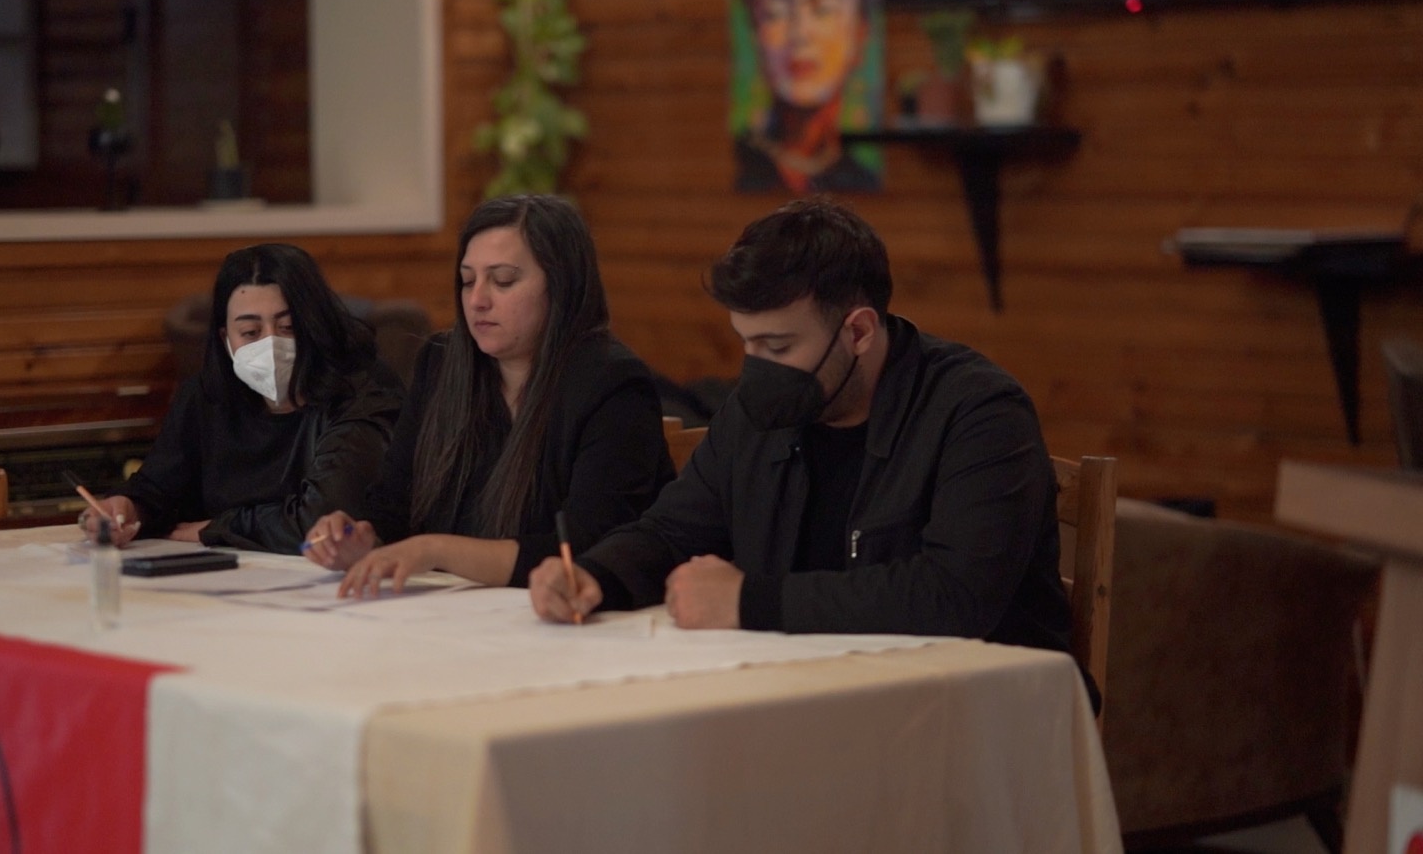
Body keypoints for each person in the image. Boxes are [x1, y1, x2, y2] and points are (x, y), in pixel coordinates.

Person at [530, 198, 1072, 657]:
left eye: (778, 346)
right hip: (807, 687)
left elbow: (955, 595)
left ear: (858, 332)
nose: (756, 367)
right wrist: (597, 575)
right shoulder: (758, 410)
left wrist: (748, 602)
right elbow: (674, 531)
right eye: (746, 342)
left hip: (977, 706)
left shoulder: (979, 412)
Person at [302, 195, 675, 596]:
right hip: (449, 612)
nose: (477, 300)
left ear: (561, 285)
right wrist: (361, 540)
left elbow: (588, 548)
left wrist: (434, 549)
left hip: (565, 615)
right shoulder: (440, 364)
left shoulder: (613, 384)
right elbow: (393, 506)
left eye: (503, 281)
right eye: (467, 281)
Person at [77, 243, 404, 553]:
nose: (270, 344)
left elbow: (326, 520)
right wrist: (127, 508)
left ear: (316, 325)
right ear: (227, 339)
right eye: (250, 333)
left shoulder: (364, 391)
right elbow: (158, 490)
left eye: (288, 327)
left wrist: (219, 528)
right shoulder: (207, 394)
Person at [734, 0, 881, 194]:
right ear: (756, 34)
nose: (799, 34)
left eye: (823, 9)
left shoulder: (860, 178)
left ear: (860, 33)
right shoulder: (744, 164)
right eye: (776, 11)